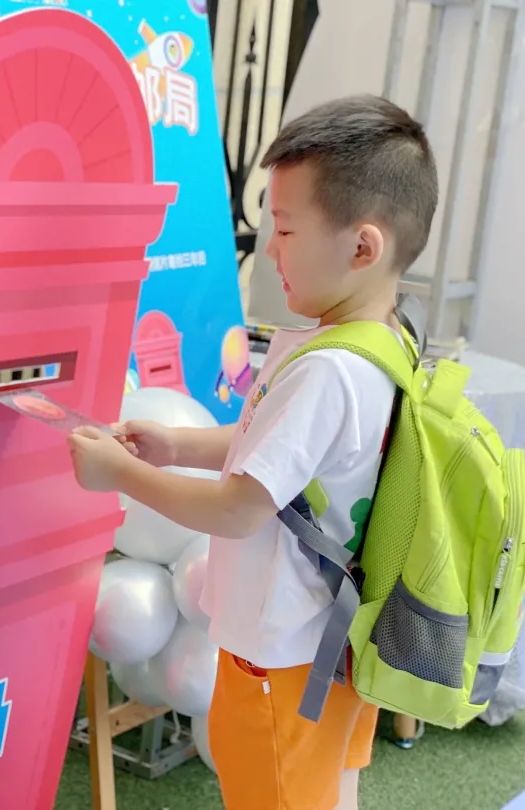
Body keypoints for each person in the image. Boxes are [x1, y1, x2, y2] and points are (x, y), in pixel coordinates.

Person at [67, 94, 439, 810]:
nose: (269, 248)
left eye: (287, 229)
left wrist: (123, 474)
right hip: (332, 643)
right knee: (328, 793)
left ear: (363, 247)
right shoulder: (381, 340)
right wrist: (175, 443)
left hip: (283, 654)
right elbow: (277, 456)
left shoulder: (329, 370)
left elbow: (242, 509)